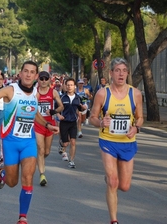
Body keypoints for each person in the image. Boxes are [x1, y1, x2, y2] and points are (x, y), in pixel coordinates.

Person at [0, 61, 59, 224]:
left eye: (32, 72)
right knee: (12, 182)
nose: (29, 74)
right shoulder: (11, 90)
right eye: (26, 71)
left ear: (37, 76)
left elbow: (35, 112)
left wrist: (47, 125)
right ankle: (3, 170)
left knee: (28, 177)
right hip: (10, 142)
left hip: (28, 142)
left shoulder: (35, 94)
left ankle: (22, 217)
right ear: (21, 74)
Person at [89, 57, 143, 224]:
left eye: (124, 71)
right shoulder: (102, 93)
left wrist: (136, 128)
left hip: (128, 143)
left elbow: (140, 118)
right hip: (108, 141)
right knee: (113, 182)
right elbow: (92, 117)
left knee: (124, 186)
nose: (121, 74)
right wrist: (100, 122)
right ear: (111, 73)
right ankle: (114, 220)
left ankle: (110, 179)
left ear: (127, 73)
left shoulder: (135, 94)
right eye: (117, 70)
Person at [35, 71, 64, 185]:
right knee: (41, 149)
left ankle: (40, 160)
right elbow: (32, 108)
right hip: (38, 124)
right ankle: (42, 175)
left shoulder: (53, 92)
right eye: (41, 78)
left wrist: (54, 111)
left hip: (50, 124)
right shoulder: (35, 93)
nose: (43, 81)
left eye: (45, 79)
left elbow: (61, 106)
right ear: (38, 80)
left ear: (49, 80)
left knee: (46, 151)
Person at [57, 78, 87, 168]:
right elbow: (56, 109)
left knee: (73, 142)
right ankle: (62, 145)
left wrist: (83, 108)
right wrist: (58, 116)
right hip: (64, 122)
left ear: (74, 87)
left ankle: (72, 161)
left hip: (73, 122)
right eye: (68, 85)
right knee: (66, 143)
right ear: (65, 86)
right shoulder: (62, 97)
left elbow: (82, 108)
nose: (69, 87)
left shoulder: (78, 98)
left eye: (71, 85)